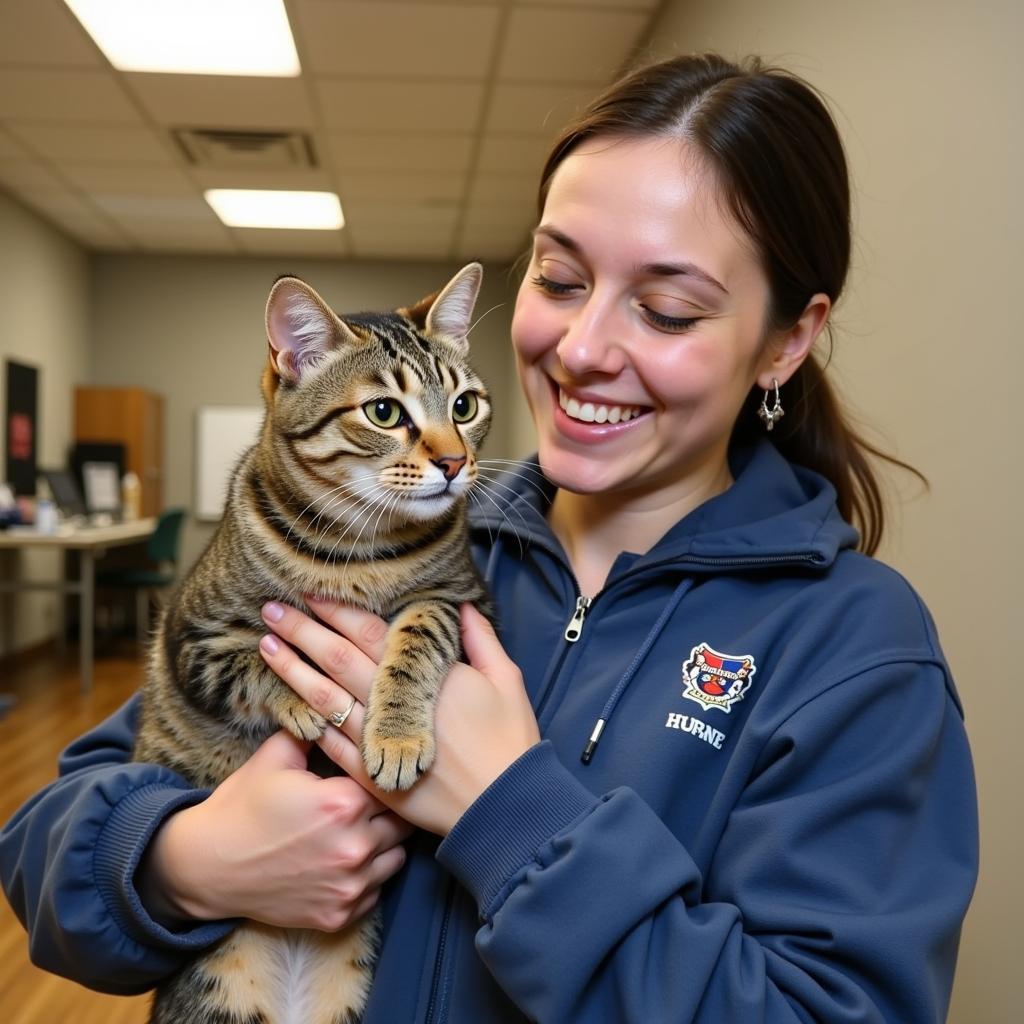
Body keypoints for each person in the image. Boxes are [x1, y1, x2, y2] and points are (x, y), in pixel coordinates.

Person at [1, 53, 977, 1022]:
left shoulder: (858, 653)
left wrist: (507, 811)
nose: (582, 349)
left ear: (786, 339)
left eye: (667, 307)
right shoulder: (385, 532)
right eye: (558, 278)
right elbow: (45, 844)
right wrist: (186, 861)